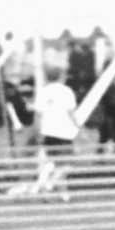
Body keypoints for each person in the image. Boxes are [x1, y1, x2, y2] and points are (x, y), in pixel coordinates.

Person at [32, 65, 78, 197]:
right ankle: (50, 183)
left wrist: (37, 131)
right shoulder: (67, 91)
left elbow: (38, 115)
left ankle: (63, 194)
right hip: (64, 132)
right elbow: (71, 112)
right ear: (61, 76)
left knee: (55, 162)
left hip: (48, 131)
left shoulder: (43, 92)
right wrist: (78, 127)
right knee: (67, 164)